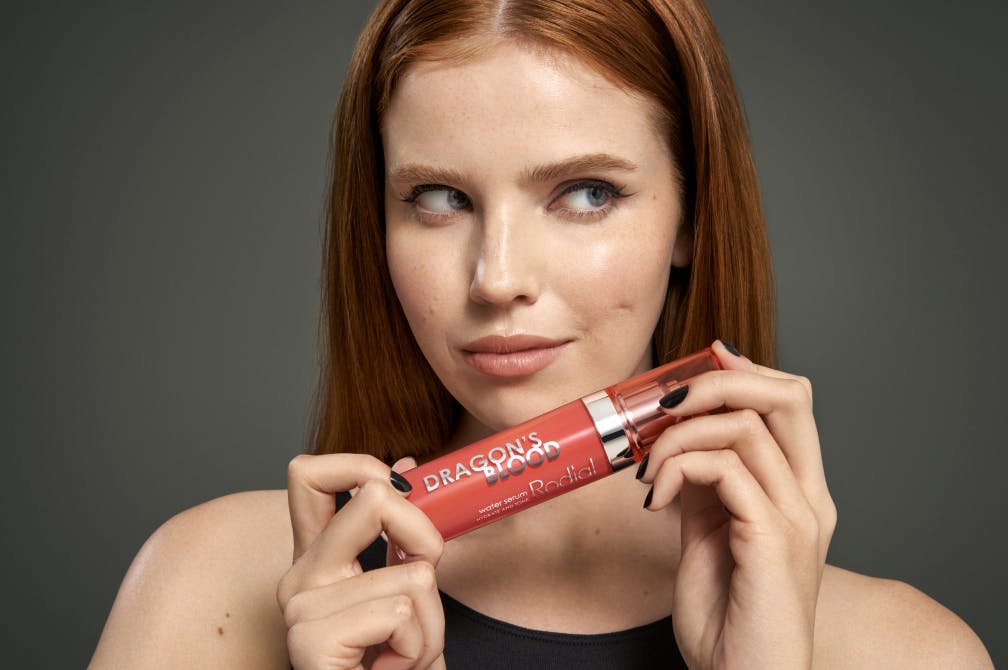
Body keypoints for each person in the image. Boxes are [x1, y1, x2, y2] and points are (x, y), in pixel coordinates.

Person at [89, 1, 994, 668]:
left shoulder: (905, 652)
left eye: (586, 194)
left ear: (689, 214)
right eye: (438, 198)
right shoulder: (211, 587)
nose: (497, 278)